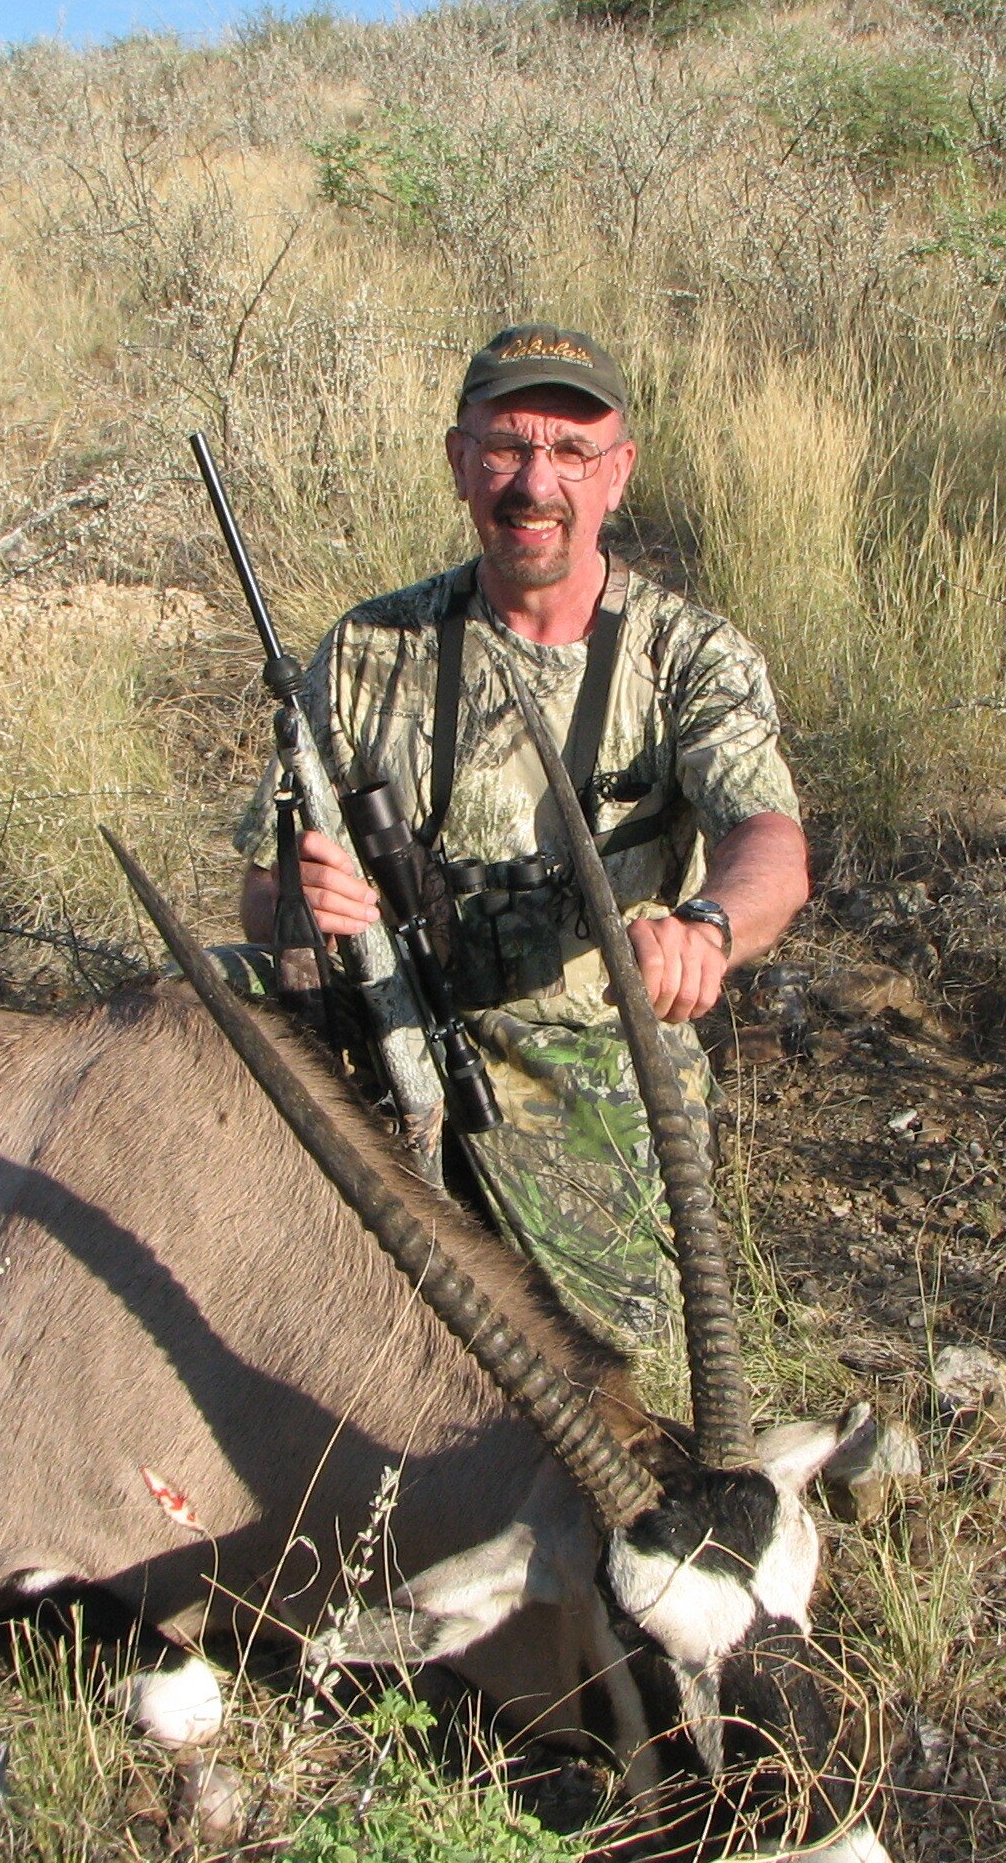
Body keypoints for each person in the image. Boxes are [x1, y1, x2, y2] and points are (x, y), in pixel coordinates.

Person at [238, 323, 809, 1357]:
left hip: (595, 1066)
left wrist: (708, 930)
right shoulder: (370, 649)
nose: (533, 484)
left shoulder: (691, 655)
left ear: (617, 474)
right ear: (459, 462)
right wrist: (304, 905)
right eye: (504, 448)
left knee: (606, 1382)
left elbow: (769, 841)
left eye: (570, 453)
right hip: (388, 1031)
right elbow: (263, 890)